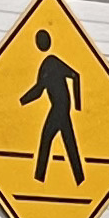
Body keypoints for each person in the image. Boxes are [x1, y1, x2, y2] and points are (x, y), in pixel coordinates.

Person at [21, 27, 87, 188]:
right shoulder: (45, 65)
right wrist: (20, 101)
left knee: (47, 140)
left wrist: (78, 105)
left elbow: (75, 75)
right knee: (68, 144)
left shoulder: (52, 61)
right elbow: (39, 90)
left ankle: (39, 179)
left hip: (61, 108)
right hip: (59, 108)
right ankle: (79, 180)